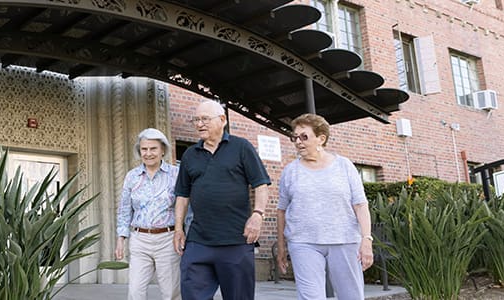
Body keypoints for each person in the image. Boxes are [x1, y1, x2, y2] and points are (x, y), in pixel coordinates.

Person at [173, 100, 271, 300]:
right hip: (198, 240)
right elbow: (182, 195)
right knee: (192, 294)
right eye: (196, 120)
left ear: (222, 120)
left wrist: (258, 215)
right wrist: (178, 229)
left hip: (236, 240)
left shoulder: (241, 147)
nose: (200, 124)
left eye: (205, 119)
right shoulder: (190, 155)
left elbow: (260, 185)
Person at [276, 113, 374, 300]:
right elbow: (281, 211)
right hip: (303, 242)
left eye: (304, 136)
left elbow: (360, 205)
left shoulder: (344, 166)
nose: (298, 142)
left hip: (344, 240)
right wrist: (281, 247)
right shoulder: (290, 171)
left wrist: (366, 240)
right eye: (295, 137)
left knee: (351, 296)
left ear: (321, 138)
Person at [115, 128, 181, 300]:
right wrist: (121, 239)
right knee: (135, 292)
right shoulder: (132, 176)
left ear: (163, 150)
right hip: (140, 240)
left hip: (168, 239)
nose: (148, 153)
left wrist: (182, 233)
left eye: (153, 149)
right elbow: (124, 209)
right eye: (144, 149)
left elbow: (185, 206)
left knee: (171, 292)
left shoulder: (175, 174)